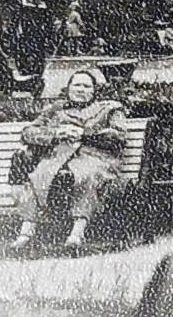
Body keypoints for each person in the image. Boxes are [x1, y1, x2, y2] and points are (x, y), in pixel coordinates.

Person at [8, 69, 129, 252]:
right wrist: (55, 134)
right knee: (38, 175)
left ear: (94, 90)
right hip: (59, 158)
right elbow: (28, 133)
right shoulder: (57, 109)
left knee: (86, 176)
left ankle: (77, 232)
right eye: (76, 85)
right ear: (69, 88)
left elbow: (118, 136)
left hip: (97, 157)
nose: (81, 89)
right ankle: (26, 231)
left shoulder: (110, 108)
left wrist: (85, 134)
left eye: (86, 86)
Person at [10, 0, 53, 76]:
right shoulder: (23, 4)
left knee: (37, 52)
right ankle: (25, 70)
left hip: (37, 33)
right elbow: (16, 19)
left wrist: (47, 32)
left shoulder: (41, 5)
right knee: (25, 52)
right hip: (27, 32)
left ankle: (36, 70)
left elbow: (47, 21)